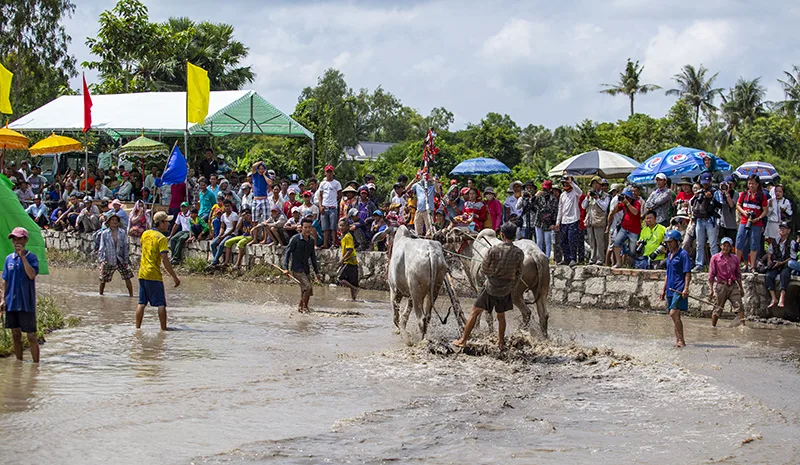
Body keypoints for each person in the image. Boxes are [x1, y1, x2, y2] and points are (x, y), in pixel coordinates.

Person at [452, 222, 524, 352]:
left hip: (491, 287)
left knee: (474, 312)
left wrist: (493, 276)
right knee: (501, 316)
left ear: (502, 235)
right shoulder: (519, 253)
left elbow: (484, 269)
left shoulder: (494, 250)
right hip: (506, 288)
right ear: (514, 236)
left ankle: (463, 340)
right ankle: (501, 343)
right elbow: (519, 273)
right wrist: (510, 284)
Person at [1, 227, 40, 363]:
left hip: (26, 303)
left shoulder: (32, 257)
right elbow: (4, 280)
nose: (16, 242)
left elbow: (31, 275)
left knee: (31, 336)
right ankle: (19, 363)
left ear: (25, 240)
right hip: (12, 302)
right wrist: (2, 299)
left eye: (19, 239)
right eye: (14, 239)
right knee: (15, 335)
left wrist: (23, 257)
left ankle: (36, 366)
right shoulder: (8, 259)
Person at [136, 211, 181, 330]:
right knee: (161, 304)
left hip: (142, 272)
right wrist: (174, 277)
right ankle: (164, 330)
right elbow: (165, 260)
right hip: (154, 274)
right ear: (160, 223)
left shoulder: (145, 234)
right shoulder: (162, 239)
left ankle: (137, 328)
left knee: (141, 303)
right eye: (166, 222)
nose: (168, 225)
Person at [660, 229, 690, 348]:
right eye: (667, 242)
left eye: (671, 242)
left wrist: (686, 288)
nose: (669, 244)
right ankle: (678, 340)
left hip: (679, 288)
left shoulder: (683, 255)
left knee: (673, 313)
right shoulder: (669, 256)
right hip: (670, 289)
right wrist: (663, 289)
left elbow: (687, 272)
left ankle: (681, 340)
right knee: (675, 316)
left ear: (677, 242)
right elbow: (667, 273)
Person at [283, 218, 320, 313]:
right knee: (308, 287)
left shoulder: (311, 240)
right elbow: (287, 253)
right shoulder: (295, 239)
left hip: (306, 268)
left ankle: (302, 307)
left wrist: (317, 272)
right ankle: (303, 307)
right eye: (305, 227)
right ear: (301, 228)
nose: (308, 229)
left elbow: (313, 257)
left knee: (306, 290)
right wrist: (285, 268)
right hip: (296, 269)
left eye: (309, 227)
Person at [736, 174, 770, 271]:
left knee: (754, 244)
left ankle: (752, 266)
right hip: (744, 221)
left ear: (757, 184)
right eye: (749, 183)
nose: (751, 186)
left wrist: (758, 218)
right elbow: (738, 205)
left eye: (753, 184)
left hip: (756, 223)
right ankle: (737, 264)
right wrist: (744, 212)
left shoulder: (761, 196)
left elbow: (765, 210)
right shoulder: (743, 195)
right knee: (740, 241)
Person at [708, 237, 744, 327]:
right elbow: (711, 275)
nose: (726, 248)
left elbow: (738, 274)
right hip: (721, 285)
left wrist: (741, 288)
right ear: (721, 246)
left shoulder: (735, 258)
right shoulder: (715, 258)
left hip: (733, 285)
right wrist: (711, 290)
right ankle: (713, 327)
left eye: (728, 246)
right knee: (718, 308)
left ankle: (743, 326)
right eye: (724, 246)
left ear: (731, 248)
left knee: (739, 305)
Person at [97, 213, 134, 297]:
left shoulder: (122, 232)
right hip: (109, 258)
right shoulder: (105, 233)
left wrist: (126, 260)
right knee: (103, 279)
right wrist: (101, 260)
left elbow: (125, 246)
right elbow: (102, 247)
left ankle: (131, 295)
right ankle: (101, 295)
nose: (114, 222)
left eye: (116, 220)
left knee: (127, 276)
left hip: (120, 258)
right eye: (112, 220)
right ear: (109, 222)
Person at [690, 172, 720, 271]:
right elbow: (691, 203)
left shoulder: (715, 191)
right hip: (699, 219)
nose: (705, 185)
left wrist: (711, 197)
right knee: (699, 243)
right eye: (704, 183)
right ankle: (699, 264)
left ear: (711, 181)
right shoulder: (699, 191)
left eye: (707, 182)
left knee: (713, 244)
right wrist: (697, 195)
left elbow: (721, 205)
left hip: (710, 220)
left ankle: (715, 265)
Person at [764, 221, 794, 310]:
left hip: (785, 264)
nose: (782, 230)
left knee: (784, 275)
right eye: (781, 228)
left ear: (788, 230)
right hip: (776, 264)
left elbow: (793, 257)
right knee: (768, 275)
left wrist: (782, 263)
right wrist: (769, 260)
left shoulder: (791, 242)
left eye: (784, 228)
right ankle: (774, 298)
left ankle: (782, 297)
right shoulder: (775, 241)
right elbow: (770, 252)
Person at [555, 176, 583, 266]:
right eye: (564, 183)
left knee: (572, 240)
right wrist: (557, 222)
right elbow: (560, 209)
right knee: (563, 241)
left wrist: (571, 182)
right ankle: (566, 258)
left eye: (566, 183)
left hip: (574, 219)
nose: (565, 184)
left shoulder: (575, 192)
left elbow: (580, 192)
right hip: (564, 220)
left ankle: (573, 258)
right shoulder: (563, 195)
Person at [582, 176, 609, 265]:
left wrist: (597, 198)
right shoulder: (590, 195)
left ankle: (600, 259)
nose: (595, 185)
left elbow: (605, 207)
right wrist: (587, 197)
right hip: (590, 220)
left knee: (599, 241)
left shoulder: (605, 196)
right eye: (593, 184)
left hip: (599, 220)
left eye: (596, 183)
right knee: (591, 241)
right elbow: (583, 206)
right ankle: (592, 258)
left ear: (600, 185)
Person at [612, 188, 642, 268]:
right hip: (624, 228)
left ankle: (631, 264)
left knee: (632, 250)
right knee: (617, 243)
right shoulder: (623, 204)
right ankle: (618, 263)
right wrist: (618, 202)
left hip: (634, 230)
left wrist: (628, 203)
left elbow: (635, 212)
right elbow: (614, 211)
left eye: (627, 197)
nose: (626, 198)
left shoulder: (636, 203)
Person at [406, 171, 439, 237]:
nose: (425, 177)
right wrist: (413, 181)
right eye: (424, 175)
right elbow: (406, 191)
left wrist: (434, 181)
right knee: (418, 232)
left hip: (429, 211)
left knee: (429, 231)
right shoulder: (417, 185)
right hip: (419, 210)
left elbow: (438, 193)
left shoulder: (432, 186)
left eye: (427, 175)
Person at [317, 165, 342, 249]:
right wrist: (320, 206)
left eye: (330, 172)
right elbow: (320, 196)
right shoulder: (322, 183)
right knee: (325, 228)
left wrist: (334, 202)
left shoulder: (336, 183)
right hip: (324, 207)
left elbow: (339, 195)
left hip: (333, 207)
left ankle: (334, 243)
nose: (329, 173)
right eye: (327, 172)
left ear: (333, 173)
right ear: (325, 173)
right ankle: (325, 243)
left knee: (333, 227)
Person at [210, 200, 239, 265]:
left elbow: (233, 228)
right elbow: (222, 227)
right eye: (225, 206)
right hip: (225, 233)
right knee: (213, 244)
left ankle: (214, 262)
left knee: (221, 245)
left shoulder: (234, 215)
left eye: (228, 206)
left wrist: (224, 236)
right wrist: (220, 234)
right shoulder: (223, 215)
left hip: (232, 234)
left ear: (231, 207)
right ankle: (216, 260)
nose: (227, 208)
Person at [337, 218, 359, 300]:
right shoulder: (344, 236)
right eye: (340, 225)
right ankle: (354, 300)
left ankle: (354, 289)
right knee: (353, 282)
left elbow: (350, 250)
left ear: (347, 227)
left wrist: (342, 259)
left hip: (349, 261)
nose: (341, 227)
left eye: (343, 226)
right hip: (352, 262)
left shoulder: (347, 236)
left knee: (340, 279)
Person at [715, 176, 739, 245]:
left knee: (731, 245)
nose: (728, 186)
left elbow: (731, 205)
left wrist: (727, 193)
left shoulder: (735, 194)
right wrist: (721, 192)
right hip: (721, 224)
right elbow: (717, 204)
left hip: (731, 225)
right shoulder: (719, 193)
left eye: (730, 184)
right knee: (721, 245)